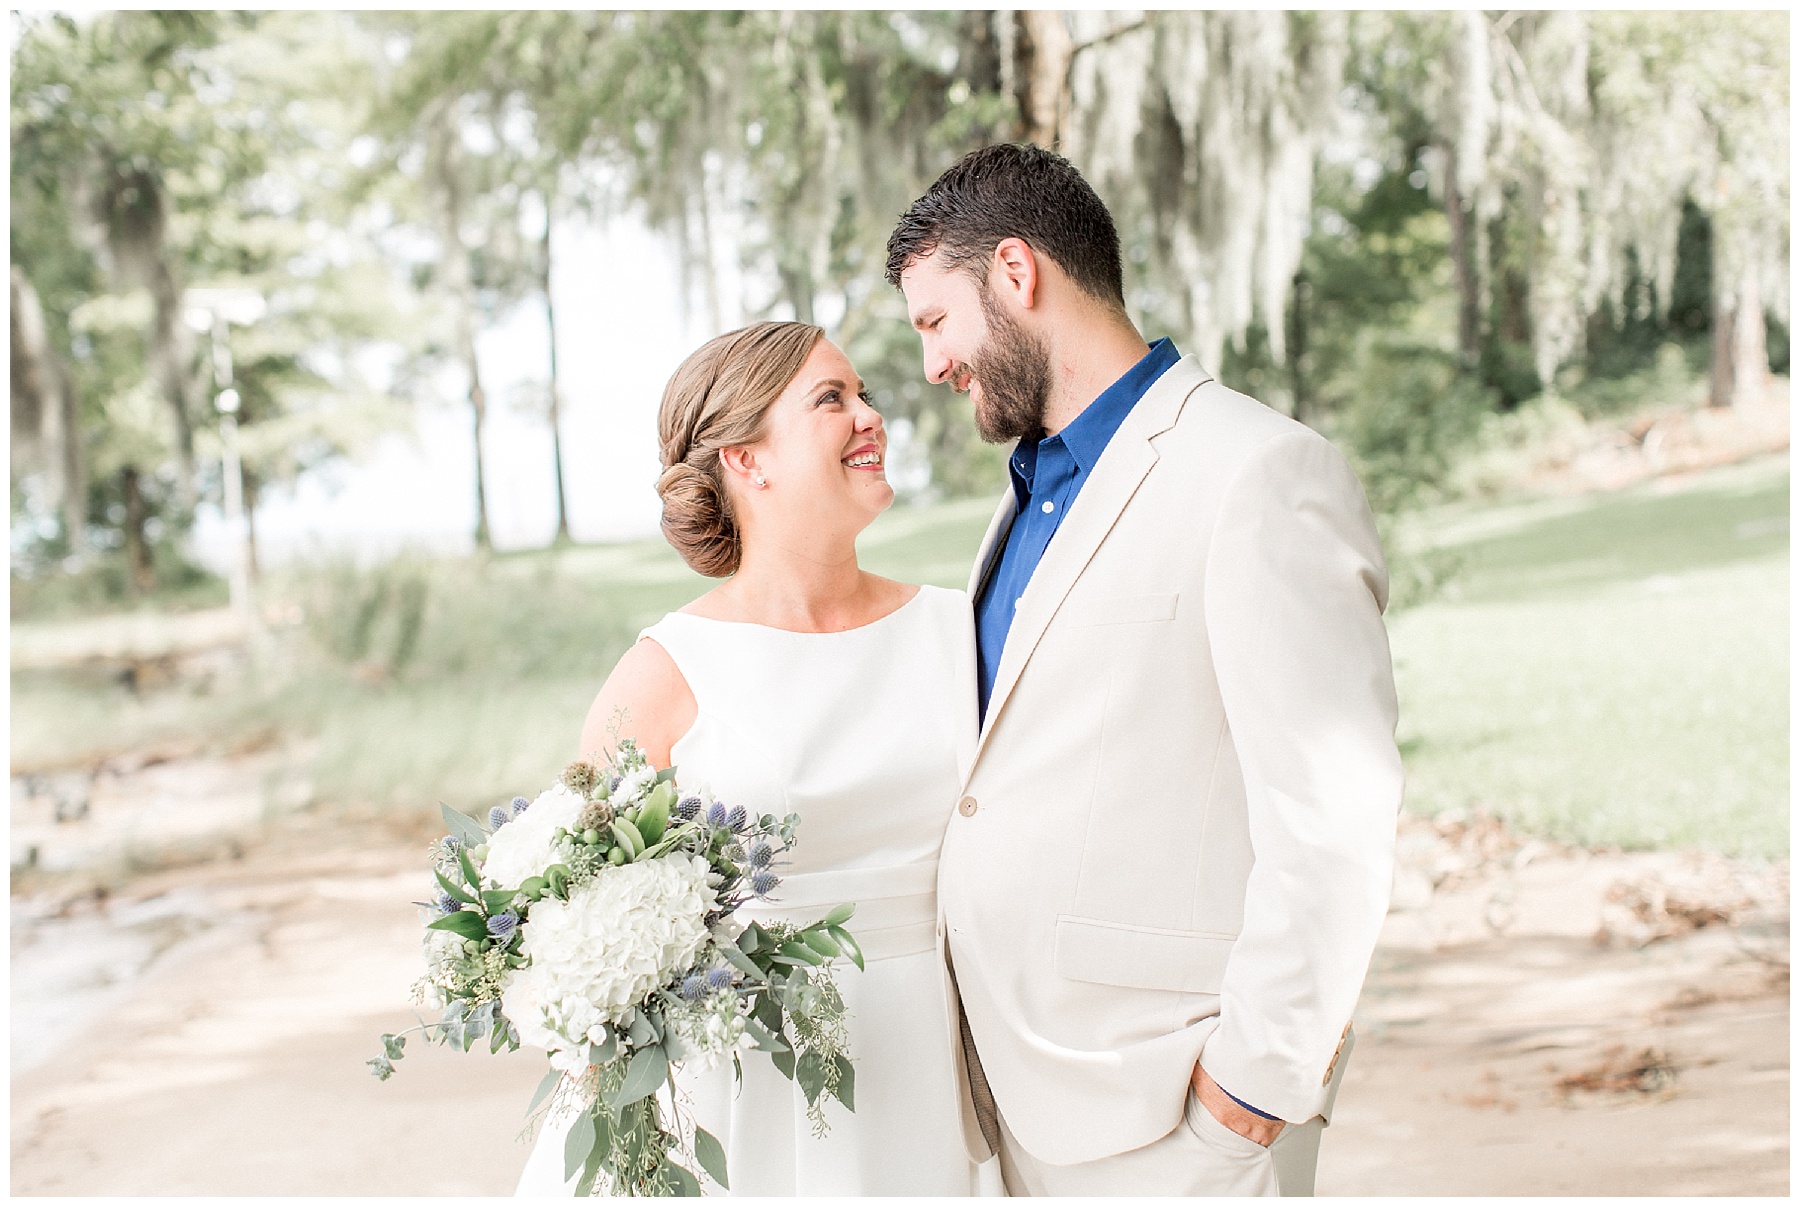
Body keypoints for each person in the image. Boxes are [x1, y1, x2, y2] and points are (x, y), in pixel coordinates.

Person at [886, 143, 1403, 1196]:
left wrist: (1252, 1090)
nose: (933, 365)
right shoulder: (1027, 492)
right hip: (1021, 1104)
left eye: (936, 321)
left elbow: (1334, 815)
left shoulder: (1258, 472)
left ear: (1018, 274)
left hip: (1180, 1113)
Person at [513, 321, 987, 1196]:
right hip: (738, 1084)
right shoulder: (665, 671)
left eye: (866, 394)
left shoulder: (958, 628)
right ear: (745, 459)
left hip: (931, 1055)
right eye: (831, 399)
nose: (871, 416)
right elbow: (571, 909)